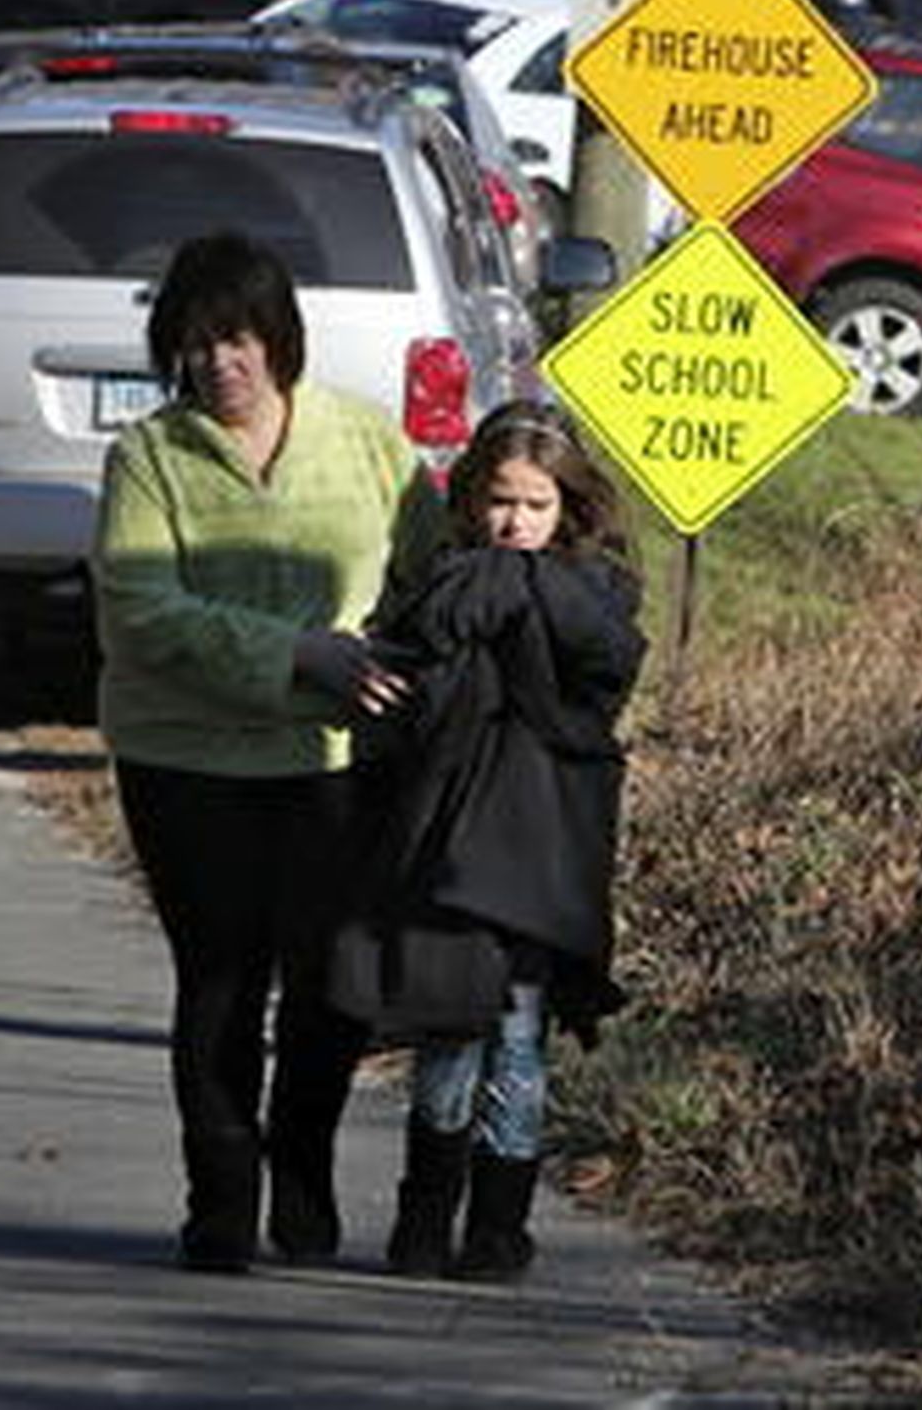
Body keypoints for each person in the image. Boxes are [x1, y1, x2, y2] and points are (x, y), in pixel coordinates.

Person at [92, 232, 444, 1275]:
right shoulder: (148, 456)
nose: (218, 363)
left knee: (333, 987)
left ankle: (302, 1167)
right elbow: (142, 607)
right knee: (221, 978)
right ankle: (221, 1196)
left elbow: (430, 574)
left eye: (237, 338)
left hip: (335, 762)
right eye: (195, 343)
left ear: (279, 338)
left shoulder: (367, 442)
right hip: (186, 760)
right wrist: (295, 653)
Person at [331, 401, 645, 1283]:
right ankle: (425, 1220)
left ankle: (498, 1228)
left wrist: (518, 590)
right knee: (449, 1036)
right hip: (441, 849)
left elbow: (604, 670)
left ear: (571, 510)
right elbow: (398, 689)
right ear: (472, 498)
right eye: (501, 501)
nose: (515, 521)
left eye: (537, 505)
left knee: (516, 1036)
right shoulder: (440, 588)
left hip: (541, 852)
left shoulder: (595, 602)